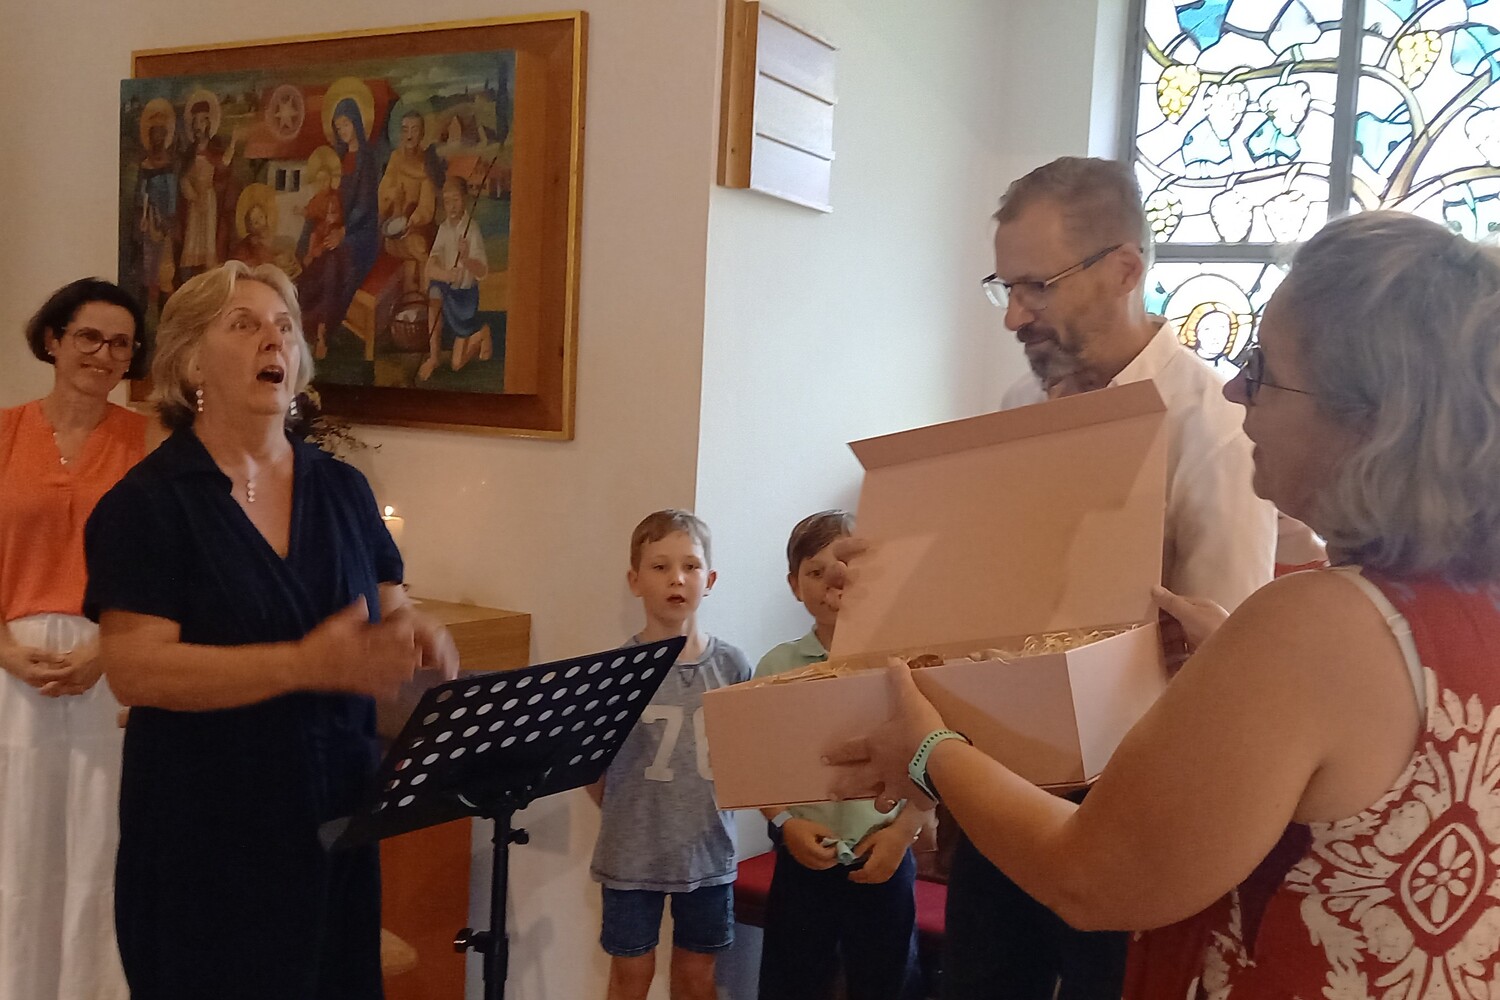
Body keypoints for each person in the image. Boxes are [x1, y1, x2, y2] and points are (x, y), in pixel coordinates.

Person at [829, 210, 1500, 998]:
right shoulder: (1460, 601)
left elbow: (1092, 878)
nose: (1237, 388)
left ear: (1370, 418)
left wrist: (926, 750)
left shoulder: (1311, 624)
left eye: (1264, 368)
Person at [937, 155, 1278, 1000]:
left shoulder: (1214, 425)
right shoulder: (1022, 406)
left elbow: (1226, 654)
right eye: (1004, 287)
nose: (1013, 315)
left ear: (1125, 269)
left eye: (1037, 287)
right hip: (1006, 770)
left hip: (1132, 797)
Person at [83, 261, 458, 1000]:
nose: (273, 340)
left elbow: (391, 604)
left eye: (285, 327)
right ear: (192, 363)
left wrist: (416, 633)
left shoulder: (343, 489)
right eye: (244, 324)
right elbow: (135, 671)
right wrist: (301, 664)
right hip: (205, 838)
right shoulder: (148, 504)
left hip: (335, 819)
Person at [0, 278, 149, 1000]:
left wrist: (106, 652)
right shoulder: (3, 433)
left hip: (110, 663)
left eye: (121, 343)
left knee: (100, 848)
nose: (104, 354)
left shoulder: (151, 443)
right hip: (10, 671)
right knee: (17, 847)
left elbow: (170, 565)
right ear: (53, 340)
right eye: (89, 336)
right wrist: (4, 651)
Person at [754, 510, 926, 1000]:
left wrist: (903, 833)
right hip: (802, 855)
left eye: (844, 569)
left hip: (884, 852)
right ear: (794, 585)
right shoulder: (776, 666)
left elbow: (935, 754)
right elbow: (754, 765)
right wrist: (784, 823)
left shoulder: (903, 663)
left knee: (887, 982)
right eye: (815, 572)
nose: (832, 583)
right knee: (792, 981)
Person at [588, 510, 751, 1000]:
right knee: (630, 977)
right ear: (635, 581)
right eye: (660, 567)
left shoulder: (732, 665)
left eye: (690, 566)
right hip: (631, 856)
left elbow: (746, 760)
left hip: (708, 853)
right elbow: (593, 774)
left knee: (697, 978)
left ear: (710, 580)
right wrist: (632, 814)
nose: (677, 579)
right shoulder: (616, 672)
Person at [420, 174, 492, 382]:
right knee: (435, 290)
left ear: (465, 200)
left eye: (456, 200)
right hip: (447, 291)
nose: (451, 206)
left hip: (465, 299)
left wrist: (467, 258)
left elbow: (482, 272)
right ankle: (434, 357)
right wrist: (445, 274)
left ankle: (482, 333)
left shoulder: (473, 230)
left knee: (457, 364)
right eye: (447, 201)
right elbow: (430, 266)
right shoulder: (443, 229)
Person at [379, 109, 438, 295]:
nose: (409, 135)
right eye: (405, 130)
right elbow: (383, 189)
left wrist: (414, 219)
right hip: (394, 226)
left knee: (418, 247)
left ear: (422, 133)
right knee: (399, 248)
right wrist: (392, 194)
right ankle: (408, 292)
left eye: (414, 129)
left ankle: (424, 292)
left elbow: (427, 205)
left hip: (418, 226)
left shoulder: (426, 164)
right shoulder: (396, 158)